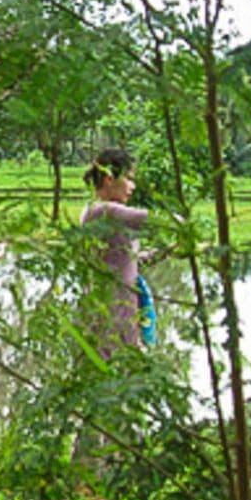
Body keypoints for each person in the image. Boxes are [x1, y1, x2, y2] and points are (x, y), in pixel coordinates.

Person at [80, 148, 150, 356]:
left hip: (123, 314)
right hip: (110, 316)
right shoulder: (103, 211)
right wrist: (186, 226)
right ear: (109, 179)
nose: (132, 186)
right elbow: (153, 220)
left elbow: (125, 261)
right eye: (128, 178)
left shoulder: (102, 213)